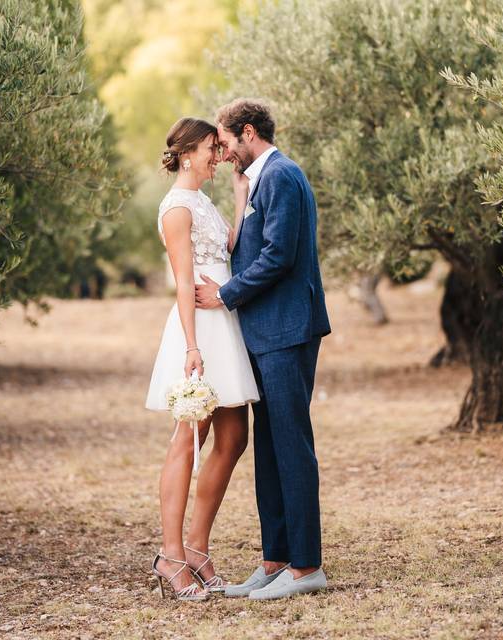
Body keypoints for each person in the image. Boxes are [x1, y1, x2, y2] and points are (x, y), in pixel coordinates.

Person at [195, 98, 331, 600]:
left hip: (287, 331)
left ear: (247, 132)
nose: (225, 153)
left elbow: (278, 255)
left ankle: (307, 567)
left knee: (291, 445)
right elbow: (253, 247)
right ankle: (276, 560)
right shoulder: (259, 179)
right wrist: (238, 198)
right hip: (266, 332)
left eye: (227, 143)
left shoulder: (281, 176)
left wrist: (224, 295)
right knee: (270, 448)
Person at [145, 117, 260, 601]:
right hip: (199, 329)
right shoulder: (175, 209)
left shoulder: (203, 201)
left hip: (224, 317)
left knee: (234, 435)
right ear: (189, 152)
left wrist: (239, 196)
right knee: (189, 438)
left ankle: (197, 547)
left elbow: (226, 251)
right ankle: (170, 557)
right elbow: (182, 282)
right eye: (214, 148)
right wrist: (192, 347)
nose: (220, 155)